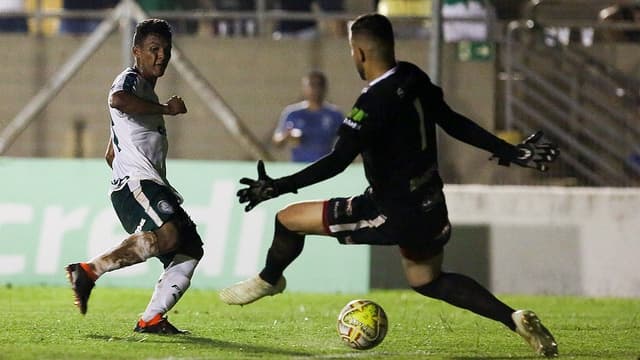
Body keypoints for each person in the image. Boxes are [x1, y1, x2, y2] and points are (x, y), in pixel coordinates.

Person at [220, 13, 560, 357]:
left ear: (359, 53)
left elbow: (337, 162)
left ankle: (269, 280)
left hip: (389, 210)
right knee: (427, 279)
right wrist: (508, 150)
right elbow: (453, 122)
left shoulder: (370, 105)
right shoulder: (413, 77)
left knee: (287, 219)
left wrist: (278, 186)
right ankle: (513, 318)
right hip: (430, 201)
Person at [65, 19, 204, 335]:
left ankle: (152, 319)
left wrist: (127, 157)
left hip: (143, 182)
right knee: (168, 236)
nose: (161, 57)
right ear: (136, 51)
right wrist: (167, 110)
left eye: (166, 51)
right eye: (154, 49)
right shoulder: (129, 81)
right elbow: (118, 100)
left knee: (190, 248)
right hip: (138, 184)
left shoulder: (146, 97)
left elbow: (110, 154)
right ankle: (88, 271)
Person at [272, 70, 344, 163]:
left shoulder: (335, 115)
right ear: (304, 88)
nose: (315, 89)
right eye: (311, 85)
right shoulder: (293, 113)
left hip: (325, 167)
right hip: (299, 167)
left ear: (325, 88)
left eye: (319, 85)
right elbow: (276, 141)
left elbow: (347, 142)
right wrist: (287, 136)